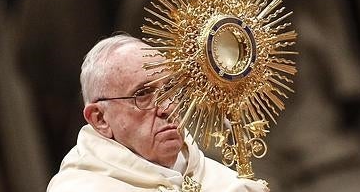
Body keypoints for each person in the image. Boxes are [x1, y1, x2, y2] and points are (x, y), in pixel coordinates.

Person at [47, 34, 270, 192]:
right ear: (100, 118)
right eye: (142, 94)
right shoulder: (80, 187)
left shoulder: (222, 180)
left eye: (171, 90)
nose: (167, 107)